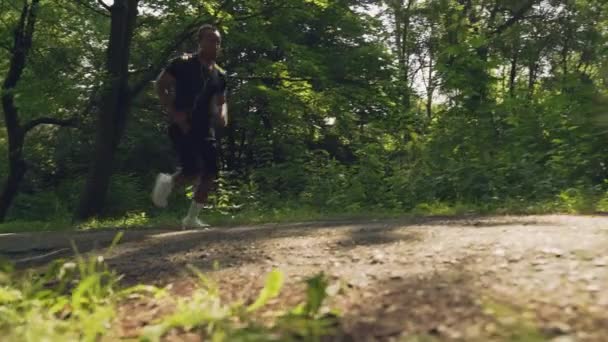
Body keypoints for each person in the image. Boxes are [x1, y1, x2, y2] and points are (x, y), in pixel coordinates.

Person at [151, 24, 228, 229]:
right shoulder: (182, 63)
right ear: (200, 42)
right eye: (211, 40)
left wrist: (222, 115)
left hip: (205, 127)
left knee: (211, 171)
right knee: (191, 170)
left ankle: (192, 218)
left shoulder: (219, 75)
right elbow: (161, 85)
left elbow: (221, 101)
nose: (215, 45)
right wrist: (174, 112)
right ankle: (167, 182)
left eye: (218, 41)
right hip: (182, 124)